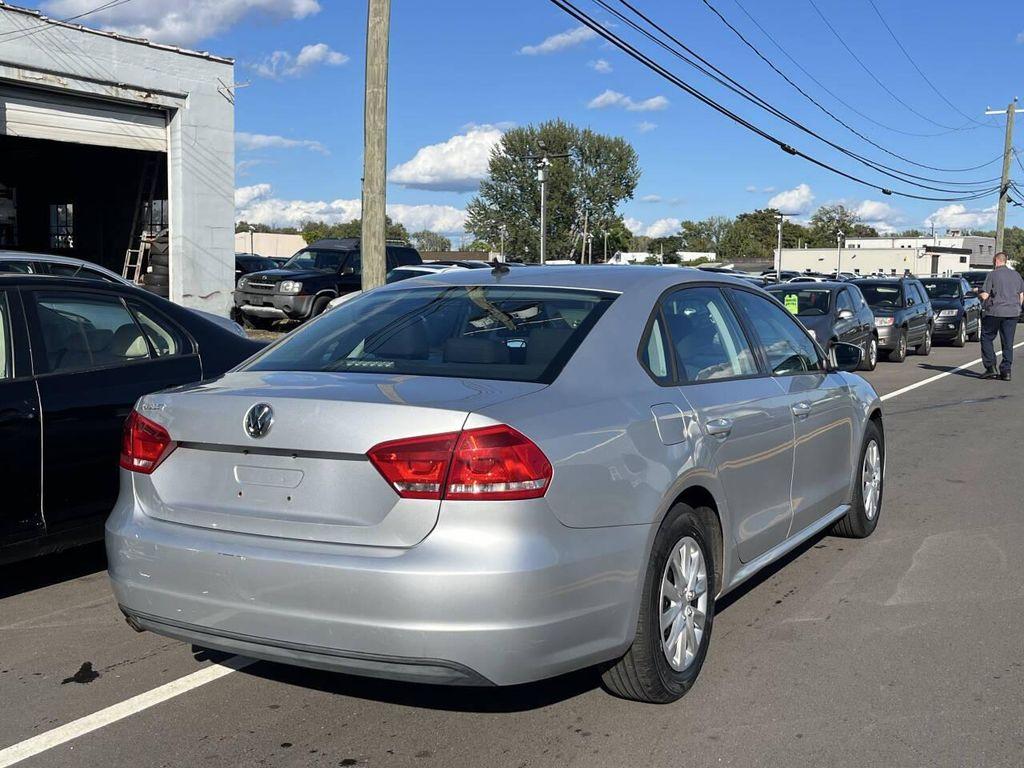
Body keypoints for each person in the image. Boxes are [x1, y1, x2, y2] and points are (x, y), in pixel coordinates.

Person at [978, 251, 1024, 381]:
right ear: (1006, 261)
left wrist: (977, 293)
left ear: (996, 261)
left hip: (995, 312)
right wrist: (1017, 308)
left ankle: (990, 367)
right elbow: (1021, 295)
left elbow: (985, 295)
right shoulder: (1016, 275)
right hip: (1012, 312)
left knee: (986, 337)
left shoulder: (992, 275)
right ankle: (1006, 371)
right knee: (1008, 342)